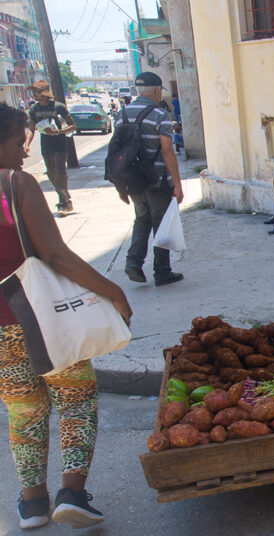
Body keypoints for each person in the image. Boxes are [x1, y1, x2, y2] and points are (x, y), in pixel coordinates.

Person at [0, 102, 132, 530]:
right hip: (39, 319)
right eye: (21, 140)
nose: (25, 150)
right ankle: (72, 493)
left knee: (23, 411)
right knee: (75, 400)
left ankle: (32, 503)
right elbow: (54, 254)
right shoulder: (16, 185)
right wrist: (111, 291)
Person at [116, 71, 184, 286]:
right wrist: (177, 184)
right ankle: (162, 272)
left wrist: (121, 186)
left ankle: (133, 263)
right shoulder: (159, 114)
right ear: (156, 90)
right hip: (157, 180)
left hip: (134, 181)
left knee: (141, 220)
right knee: (161, 224)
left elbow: (118, 152)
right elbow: (167, 151)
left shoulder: (123, 114)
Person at [24, 80, 77, 215]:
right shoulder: (35, 109)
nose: (34, 94)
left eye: (36, 91)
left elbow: (73, 126)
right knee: (51, 174)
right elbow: (31, 128)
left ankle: (64, 202)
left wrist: (58, 132)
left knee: (60, 173)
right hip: (46, 146)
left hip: (60, 144)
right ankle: (65, 198)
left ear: (44, 93)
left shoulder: (58, 107)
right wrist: (27, 144)